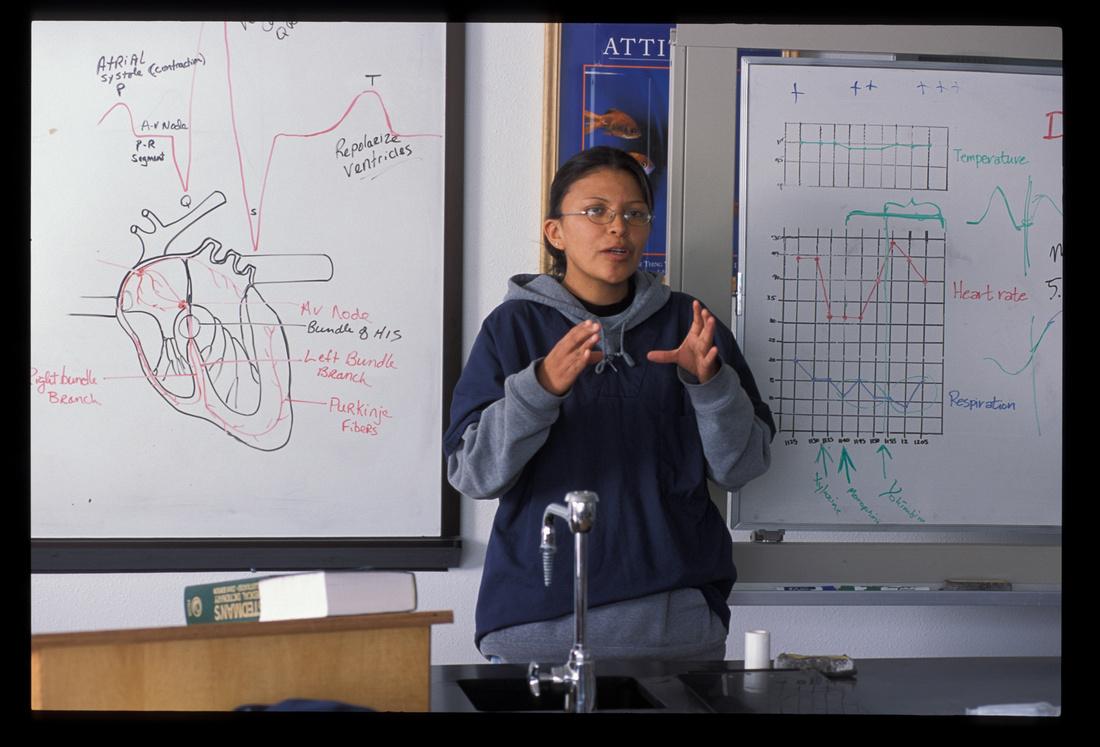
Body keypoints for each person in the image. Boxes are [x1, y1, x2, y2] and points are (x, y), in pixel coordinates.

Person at [444, 146, 775, 663]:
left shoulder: (689, 323)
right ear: (556, 232)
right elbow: (473, 474)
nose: (617, 228)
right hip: (537, 629)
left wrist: (708, 385)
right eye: (596, 211)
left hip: (676, 630)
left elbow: (743, 466)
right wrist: (540, 388)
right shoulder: (514, 328)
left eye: (634, 214)